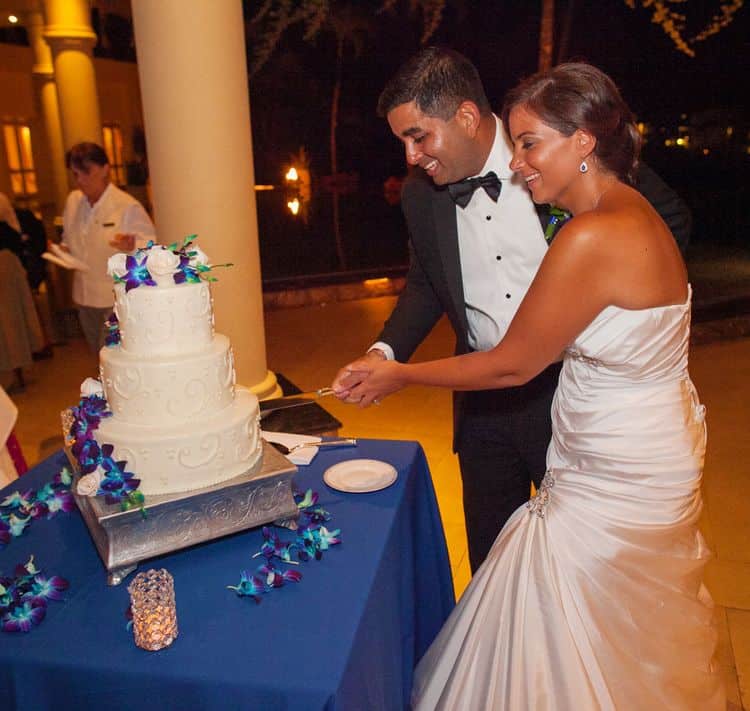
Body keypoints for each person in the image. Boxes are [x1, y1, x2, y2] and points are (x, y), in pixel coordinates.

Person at [341, 62, 723, 709]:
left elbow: (518, 361)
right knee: (570, 601)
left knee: (555, 598)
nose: (520, 164)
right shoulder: (613, 212)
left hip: (596, 443)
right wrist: (387, 348)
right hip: (622, 435)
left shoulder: (596, 228)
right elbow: (427, 285)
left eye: (530, 145)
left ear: (583, 141)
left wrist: (402, 375)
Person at [333, 47, 692, 573]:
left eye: (418, 136)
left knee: (576, 564)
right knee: (493, 564)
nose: (411, 156)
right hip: (481, 403)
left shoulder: (564, 157)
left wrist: (601, 314)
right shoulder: (421, 195)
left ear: (465, 116)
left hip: (568, 396)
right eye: (403, 142)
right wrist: (384, 351)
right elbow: (428, 284)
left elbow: (667, 223)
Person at [61, 142, 156, 352]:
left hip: (113, 296)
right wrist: (63, 250)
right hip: (84, 296)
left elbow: (150, 247)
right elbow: (69, 238)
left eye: (87, 172)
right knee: (98, 356)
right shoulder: (74, 201)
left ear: (105, 169)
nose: (81, 181)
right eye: (76, 174)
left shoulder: (126, 205)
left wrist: (132, 246)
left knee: (111, 355)